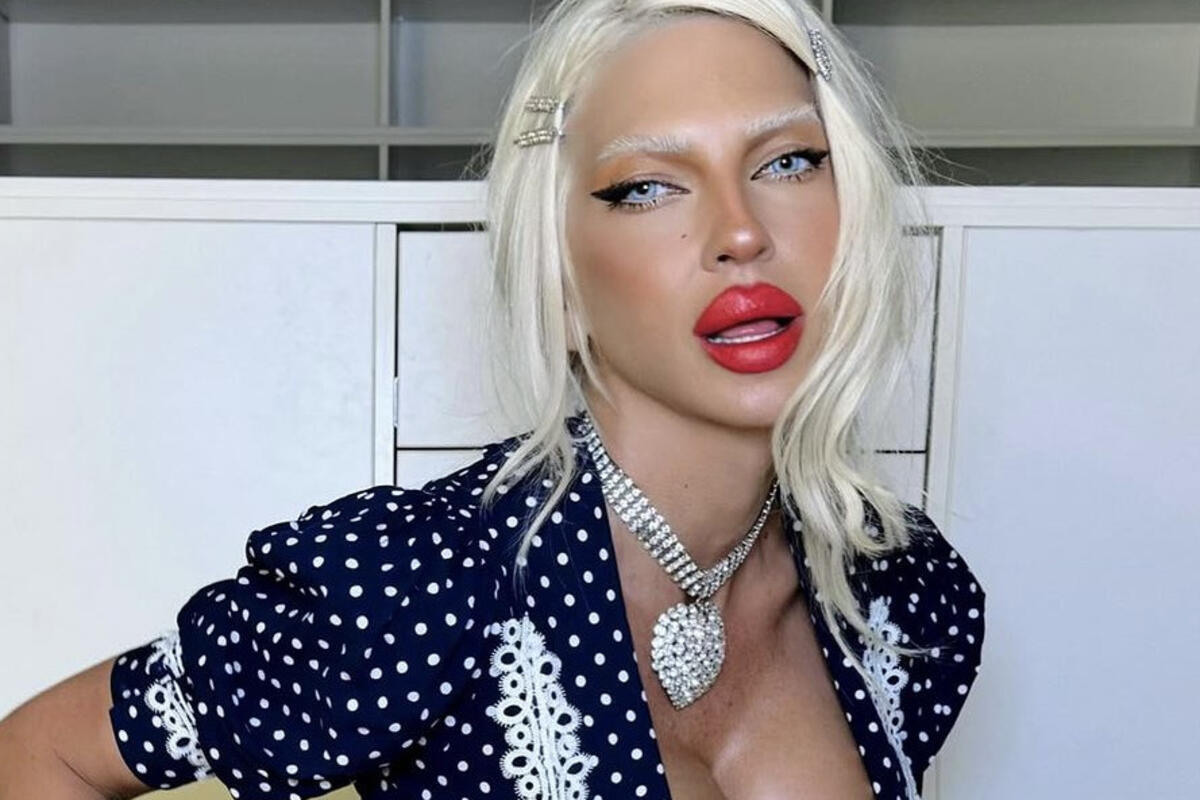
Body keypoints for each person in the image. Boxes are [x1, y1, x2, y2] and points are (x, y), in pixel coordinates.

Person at [0, 1, 985, 798]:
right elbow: (42, 757)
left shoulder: (905, 594)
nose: (740, 231)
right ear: (560, 279)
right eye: (647, 186)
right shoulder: (422, 587)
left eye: (789, 162)